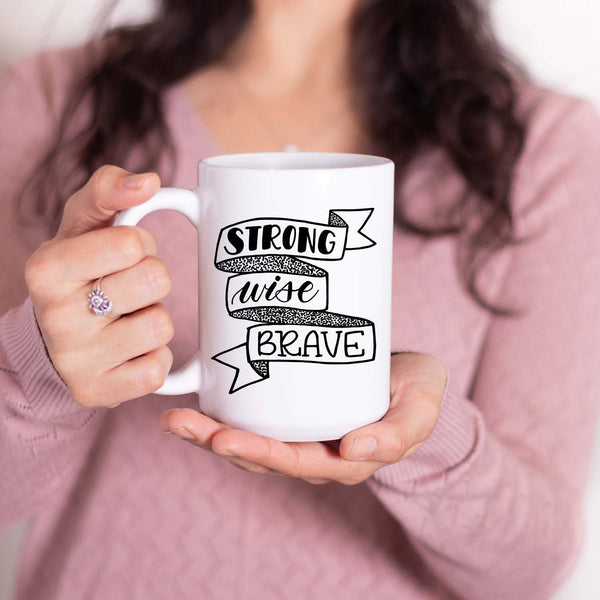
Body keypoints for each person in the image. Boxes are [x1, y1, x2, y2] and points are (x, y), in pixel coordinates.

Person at [1, 1, 599, 598]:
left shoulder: (548, 152)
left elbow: (529, 571)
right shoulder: (46, 101)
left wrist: (420, 435)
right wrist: (42, 370)